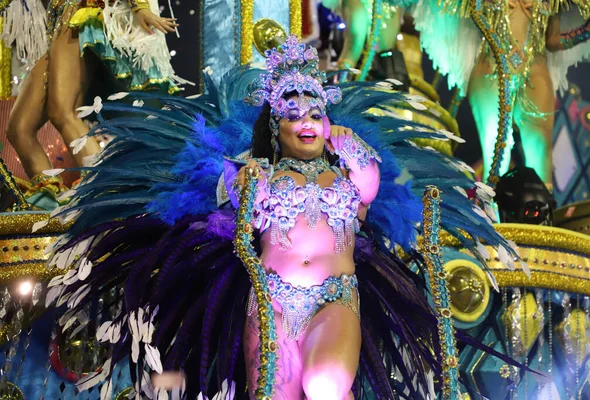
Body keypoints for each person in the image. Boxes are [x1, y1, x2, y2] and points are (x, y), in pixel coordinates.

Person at [45, 36, 517, 399]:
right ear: (276, 125)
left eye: (316, 112)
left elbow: (371, 179)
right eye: (294, 114)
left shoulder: (348, 176)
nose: (308, 120)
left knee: (328, 382)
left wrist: (344, 137)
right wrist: (241, 181)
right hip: (270, 303)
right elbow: (232, 205)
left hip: (333, 299)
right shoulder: (258, 173)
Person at [3, 0, 184, 209]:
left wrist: (139, 6)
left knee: (62, 112)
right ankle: (48, 202)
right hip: (59, 25)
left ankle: (105, 191)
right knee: (19, 129)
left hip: (79, 16)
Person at [413, 0, 590, 185]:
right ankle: (495, 213)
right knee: (496, 153)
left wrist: (586, 31)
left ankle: (542, 212)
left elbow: (551, 40)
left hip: (535, 71)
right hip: (491, 68)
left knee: (541, 149)